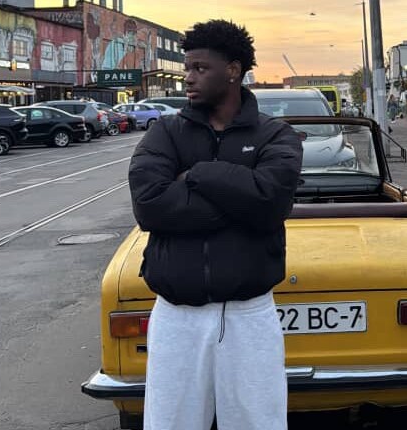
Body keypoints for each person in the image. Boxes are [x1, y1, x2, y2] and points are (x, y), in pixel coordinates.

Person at [128, 19, 303, 430]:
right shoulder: (166, 133)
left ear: (233, 70)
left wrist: (197, 174)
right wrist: (241, 200)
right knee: (170, 423)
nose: (188, 77)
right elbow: (150, 205)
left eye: (200, 68)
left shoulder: (275, 135)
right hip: (176, 317)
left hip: (249, 315)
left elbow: (270, 202)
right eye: (187, 67)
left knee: (258, 423)